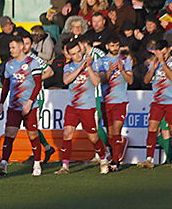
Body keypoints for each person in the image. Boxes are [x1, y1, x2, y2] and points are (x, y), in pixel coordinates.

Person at [0, 37, 43, 176]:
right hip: (14, 106)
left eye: (13, 47)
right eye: (10, 47)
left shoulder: (32, 62)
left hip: (30, 106)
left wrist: (30, 102)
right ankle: (4, 164)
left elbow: (38, 84)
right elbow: (6, 85)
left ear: (21, 47)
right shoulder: (9, 64)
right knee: (9, 134)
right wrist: (1, 103)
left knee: (33, 135)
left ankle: (37, 163)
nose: (10, 50)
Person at [54, 39, 109, 175]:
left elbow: (97, 82)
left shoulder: (92, 64)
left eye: (79, 52)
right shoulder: (68, 67)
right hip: (72, 107)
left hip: (87, 107)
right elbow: (66, 80)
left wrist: (88, 67)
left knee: (93, 138)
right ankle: (65, 166)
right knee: (67, 133)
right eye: (74, 54)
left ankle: (103, 159)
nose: (78, 56)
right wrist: (80, 68)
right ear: (70, 55)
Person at [20, 33, 56, 165]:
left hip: (36, 97)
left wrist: (34, 80)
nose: (24, 46)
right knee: (29, 127)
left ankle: (36, 154)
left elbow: (50, 72)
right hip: (24, 97)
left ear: (32, 45)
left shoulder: (34, 58)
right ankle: (47, 148)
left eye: (27, 44)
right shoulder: (20, 59)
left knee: (32, 127)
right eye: (22, 43)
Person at [99, 37, 133, 171]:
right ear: (107, 46)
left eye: (117, 45)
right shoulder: (101, 61)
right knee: (110, 133)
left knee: (117, 131)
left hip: (120, 101)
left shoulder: (126, 60)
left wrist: (122, 70)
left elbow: (130, 80)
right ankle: (112, 155)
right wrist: (109, 71)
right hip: (106, 101)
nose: (115, 47)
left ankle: (115, 161)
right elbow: (100, 81)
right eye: (112, 45)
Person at [138, 40, 172, 169]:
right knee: (152, 128)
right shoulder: (154, 63)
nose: (161, 54)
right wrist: (153, 67)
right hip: (157, 102)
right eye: (158, 52)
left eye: (163, 51)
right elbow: (146, 80)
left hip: (170, 101)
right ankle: (149, 159)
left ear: (169, 49)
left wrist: (163, 63)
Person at [0, 16, 27, 83]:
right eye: (6, 26)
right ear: (2, 28)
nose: (9, 27)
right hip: (7, 61)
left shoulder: (19, 31)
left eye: (10, 25)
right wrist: (10, 52)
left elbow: (28, 39)